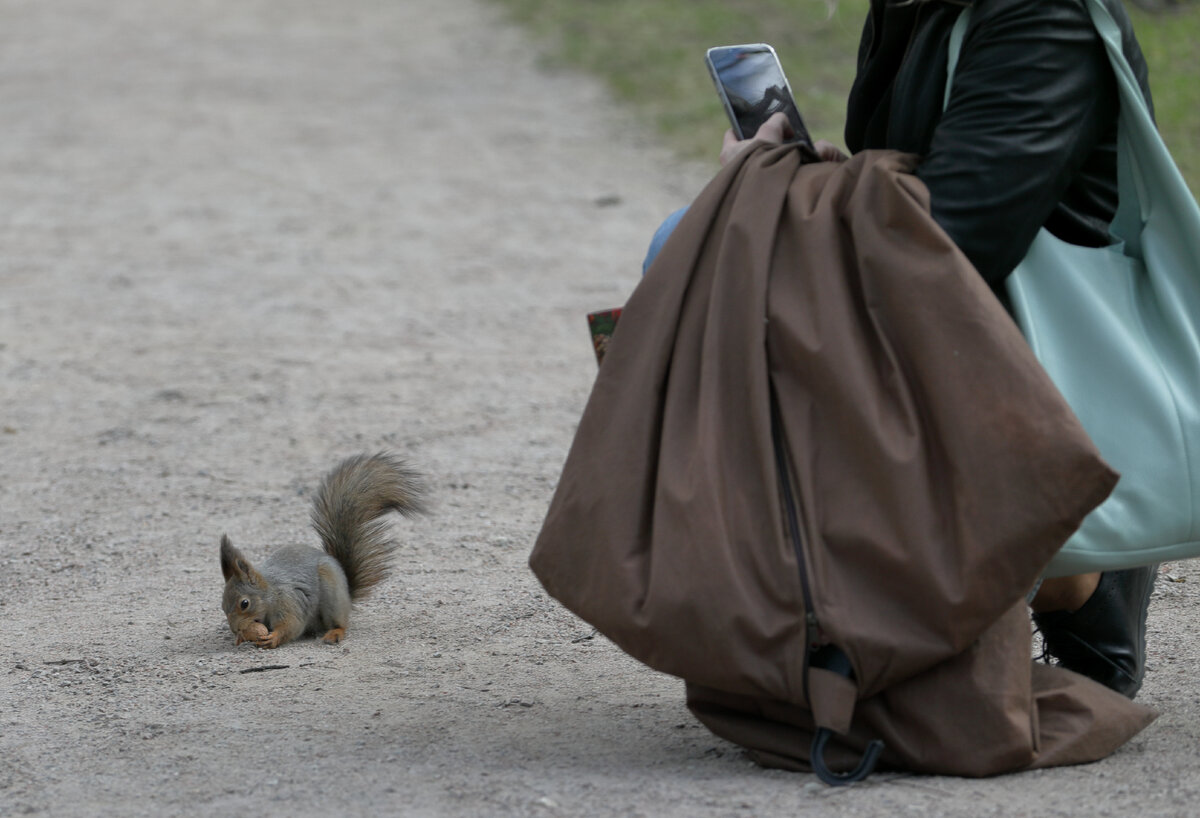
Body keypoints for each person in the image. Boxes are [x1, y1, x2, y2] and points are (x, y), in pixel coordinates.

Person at [644, 0, 1158, 699]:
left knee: (697, 251)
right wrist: (809, 183)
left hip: (1016, 333)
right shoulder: (915, 8)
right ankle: (798, 601)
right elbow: (907, 181)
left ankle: (1073, 576)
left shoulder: (1042, 17)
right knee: (687, 244)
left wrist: (768, 201)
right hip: (946, 311)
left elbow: (950, 245)